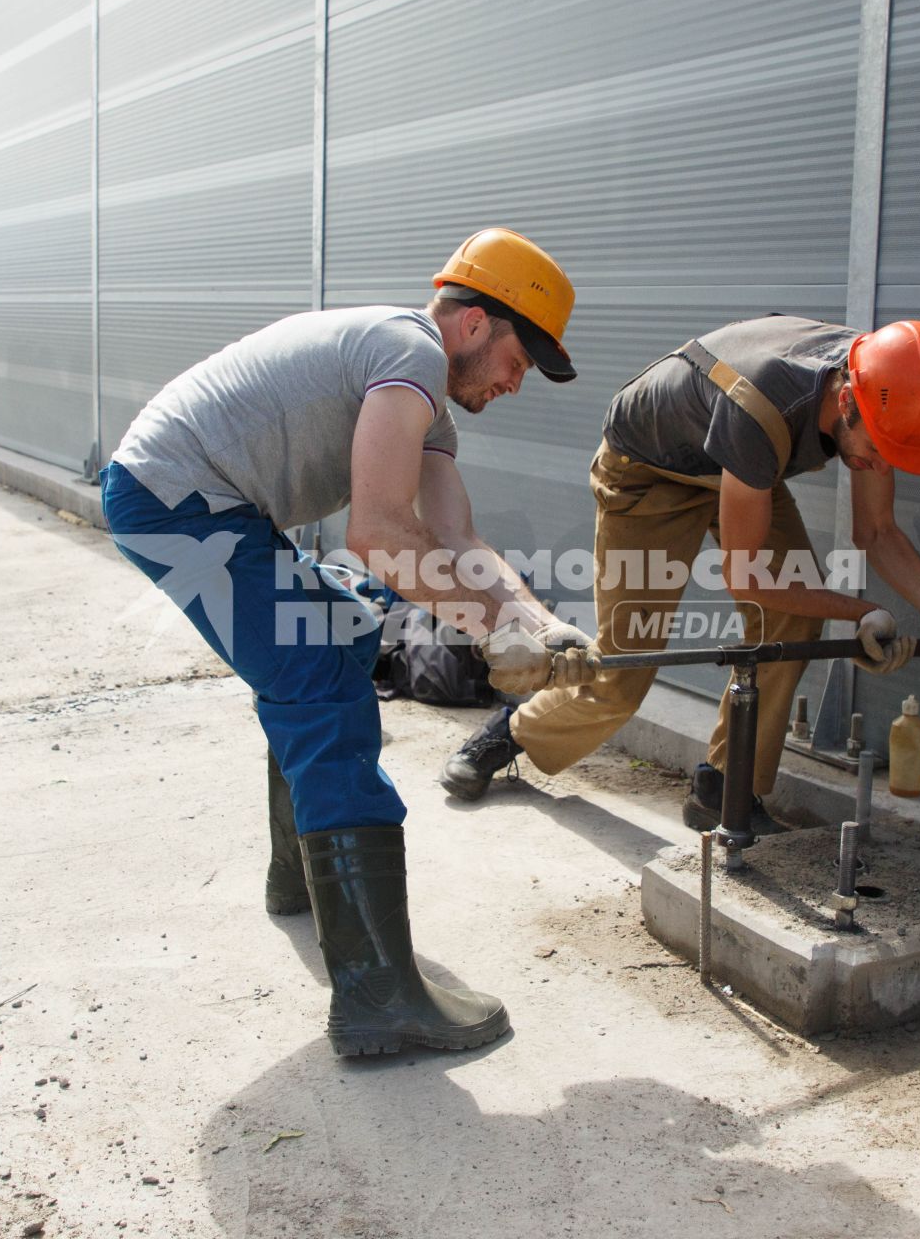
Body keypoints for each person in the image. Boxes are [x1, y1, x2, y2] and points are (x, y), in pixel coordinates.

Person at [101, 229, 594, 1058]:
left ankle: (301, 880)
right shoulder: (408, 352)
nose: (518, 382)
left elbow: (454, 532)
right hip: (174, 501)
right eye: (520, 357)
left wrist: (537, 623)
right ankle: (376, 998)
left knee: (342, 627)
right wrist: (485, 631)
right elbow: (379, 533)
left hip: (210, 503)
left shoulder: (423, 395)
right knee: (323, 686)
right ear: (472, 324)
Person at [440, 315, 920, 831]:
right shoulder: (769, 407)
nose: (879, 465)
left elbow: (876, 532)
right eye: (878, 450)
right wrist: (861, 612)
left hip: (742, 464)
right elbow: (747, 578)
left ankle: (724, 789)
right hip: (652, 470)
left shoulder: (882, 382)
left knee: (790, 625)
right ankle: (510, 734)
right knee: (627, 667)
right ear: (848, 400)